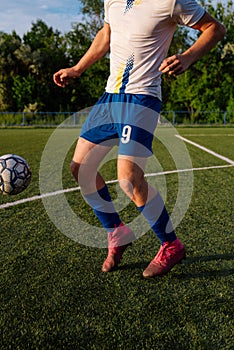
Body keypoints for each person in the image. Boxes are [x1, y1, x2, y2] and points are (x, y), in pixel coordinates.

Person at [53, 0, 226, 278]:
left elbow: (215, 29)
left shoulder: (171, 1)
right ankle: (117, 233)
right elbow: (106, 34)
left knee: (128, 178)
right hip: (110, 98)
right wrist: (78, 68)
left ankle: (171, 245)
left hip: (142, 99)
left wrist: (187, 57)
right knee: (80, 168)